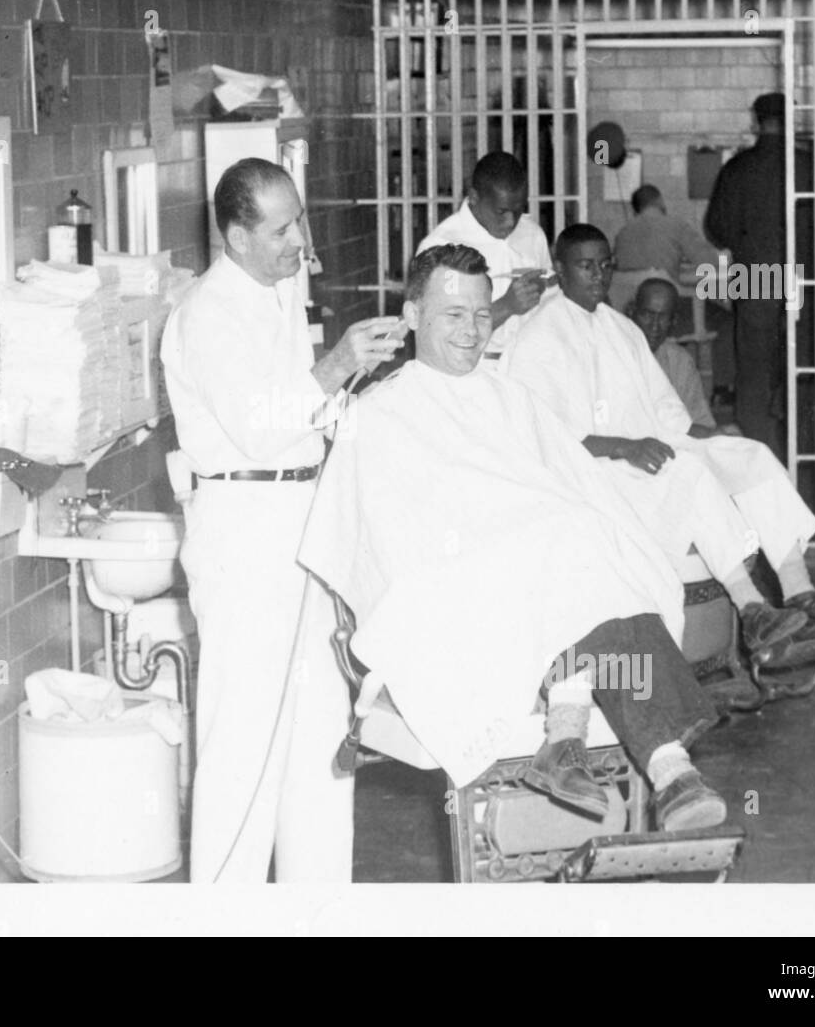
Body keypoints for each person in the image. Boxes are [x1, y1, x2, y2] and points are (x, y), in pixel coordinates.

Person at [299, 244, 728, 832]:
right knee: (565, 543)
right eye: (453, 315)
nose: (472, 332)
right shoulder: (378, 413)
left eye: (482, 315)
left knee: (588, 537)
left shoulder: (511, 396)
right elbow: (384, 545)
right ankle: (659, 759)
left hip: (542, 574)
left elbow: (577, 489)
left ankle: (590, 743)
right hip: (448, 591)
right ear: (412, 315)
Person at [160, 158, 405, 882]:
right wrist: (336, 365)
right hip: (245, 535)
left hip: (301, 525)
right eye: (281, 228)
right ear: (236, 237)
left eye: (298, 217)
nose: (300, 237)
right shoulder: (206, 313)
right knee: (245, 745)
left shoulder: (274, 293)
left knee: (320, 741)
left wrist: (366, 383)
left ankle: (317, 906)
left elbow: (308, 417)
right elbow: (260, 428)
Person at [505, 224, 815, 659]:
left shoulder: (620, 329)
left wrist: (712, 437)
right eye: (585, 266)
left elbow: (667, 414)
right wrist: (624, 447)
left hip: (651, 447)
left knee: (751, 457)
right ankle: (753, 609)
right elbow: (540, 435)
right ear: (560, 268)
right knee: (689, 473)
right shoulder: (538, 335)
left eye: (605, 266)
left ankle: (801, 591)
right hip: (595, 468)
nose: (598, 276)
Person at [703, 92, 805, 459]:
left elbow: (716, 227)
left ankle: (762, 457)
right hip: (801, 276)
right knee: (800, 365)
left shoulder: (737, 168)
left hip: (756, 275)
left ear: (756, 121)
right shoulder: (808, 164)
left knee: (754, 371)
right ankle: (804, 455)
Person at [416, 151, 553, 361]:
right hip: (471, 367)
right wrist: (507, 306)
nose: (510, 221)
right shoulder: (442, 245)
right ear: (474, 197)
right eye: (501, 212)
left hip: (530, 366)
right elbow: (436, 331)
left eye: (518, 210)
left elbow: (549, 304)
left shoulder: (532, 234)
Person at [612, 184, 735, 394]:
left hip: (634, 319)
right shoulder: (675, 225)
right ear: (660, 201)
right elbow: (711, 263)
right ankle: (721, 390)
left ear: (636, 209)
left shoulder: (622, 233)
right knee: (727, 319)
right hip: (671, 317)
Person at [628, 277, 731, 433]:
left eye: (663, 317)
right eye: (647, 315)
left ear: (673, 322)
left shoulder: (679, 361)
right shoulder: (612, 354)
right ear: (632, 313)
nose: (654, 326)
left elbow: (700, 420)